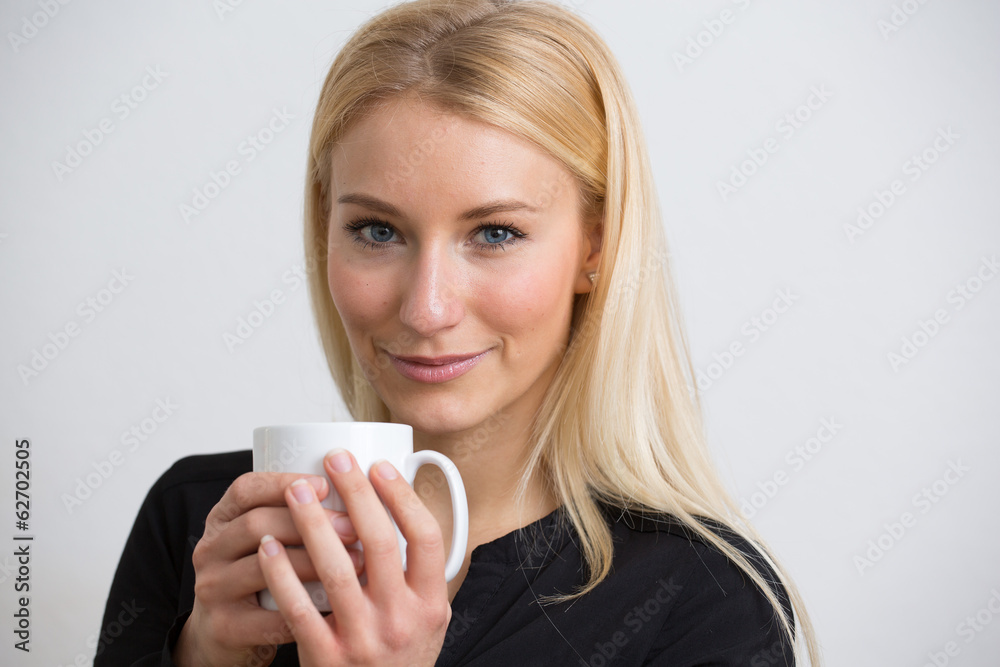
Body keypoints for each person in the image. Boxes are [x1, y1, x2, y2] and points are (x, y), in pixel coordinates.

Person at [96, 0, 822, 665]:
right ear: (325, 232)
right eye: (377, 230)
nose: (426, 308)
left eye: (495, 232)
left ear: (594, 248)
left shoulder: (706, 605)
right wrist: (201, 655)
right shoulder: (202, 527)